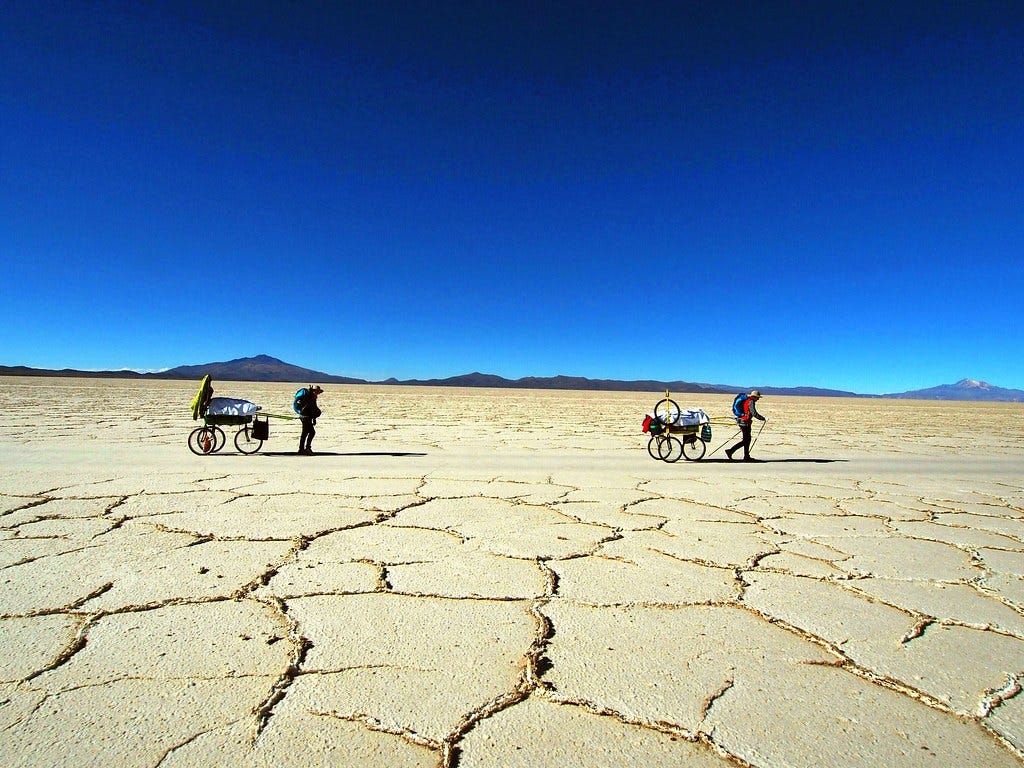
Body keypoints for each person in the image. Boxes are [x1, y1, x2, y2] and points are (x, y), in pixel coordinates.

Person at [726, 390, 766, 461]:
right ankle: (731, 451)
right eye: (757, 397)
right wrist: (762, 418)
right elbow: (754, 413)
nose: (758, 399)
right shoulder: (751, 402)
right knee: (746, 440)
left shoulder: (747, 400)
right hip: (745, 422)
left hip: (743, 421)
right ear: (754, 397)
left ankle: (746, 456)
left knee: (747, 440)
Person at [296, 385, 323, 455]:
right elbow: (311, 409)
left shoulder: (311, 397)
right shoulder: (310, 398)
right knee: (311, 432)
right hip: (305, 417)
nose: (318, 394)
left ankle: (302, 449)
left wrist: (313, 418)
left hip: (305, 417)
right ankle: (307, 448)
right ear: (314, 391)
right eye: (317, 392)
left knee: (305, 433)